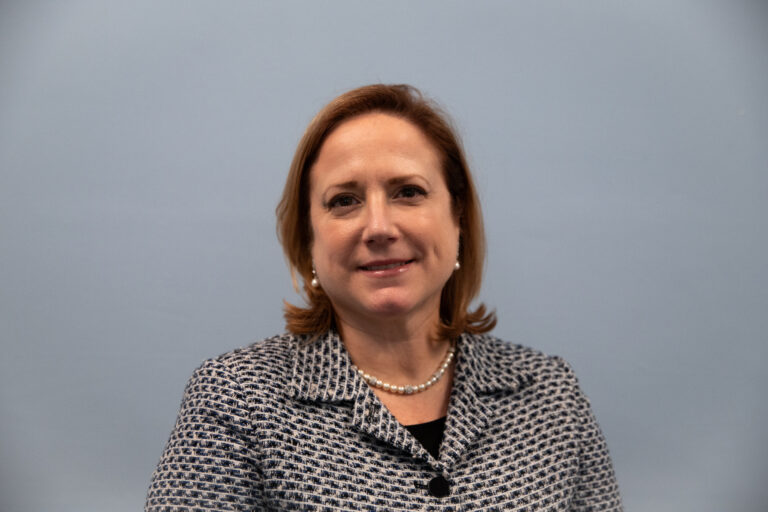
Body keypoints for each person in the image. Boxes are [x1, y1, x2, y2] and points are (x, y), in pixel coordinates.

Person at [145, 84, 622, 510]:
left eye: (408, 192)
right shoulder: (235, 399)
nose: (378, 227)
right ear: (308, 238)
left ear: (457, 217)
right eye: (344, 201)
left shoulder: (550, 393)